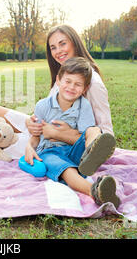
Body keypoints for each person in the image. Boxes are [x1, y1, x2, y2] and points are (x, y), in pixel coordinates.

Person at [0, 24, 114, 158]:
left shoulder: (93, 82)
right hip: (40, 128)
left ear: (75, 44)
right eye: (53, 47)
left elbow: (105, 133)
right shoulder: (63, 75)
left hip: (52, 143)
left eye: (62, 44)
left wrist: (64, 134)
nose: (58, 51)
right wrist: (32, 122)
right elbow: (48, 109)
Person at [19, 57, 120, 208]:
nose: (71, 87)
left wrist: (65, 135)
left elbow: (82, 136)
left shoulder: (83, 106)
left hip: (74, 150)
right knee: (67, 170)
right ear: (58, 81)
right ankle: (95, 191)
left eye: (78, 84)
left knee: (94, 130)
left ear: (85, 89)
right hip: (50, 152)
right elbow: (35, 136)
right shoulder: (43, 106)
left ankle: (91, 152)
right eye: (68, 81)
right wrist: (29, 147)